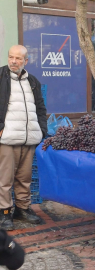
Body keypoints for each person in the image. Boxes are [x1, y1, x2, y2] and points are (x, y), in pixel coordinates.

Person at [0, 45, 47, 230]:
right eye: (11, 57)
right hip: (7, 138)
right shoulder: (1, 77)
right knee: (5, 179)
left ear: (26, 61)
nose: (13, 61)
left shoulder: (32, 81)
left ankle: (22, 208)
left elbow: (41, 108)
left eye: (18, 58)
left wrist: (41, 130)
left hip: (29, 138)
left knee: (24, 178)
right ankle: (4, 212)